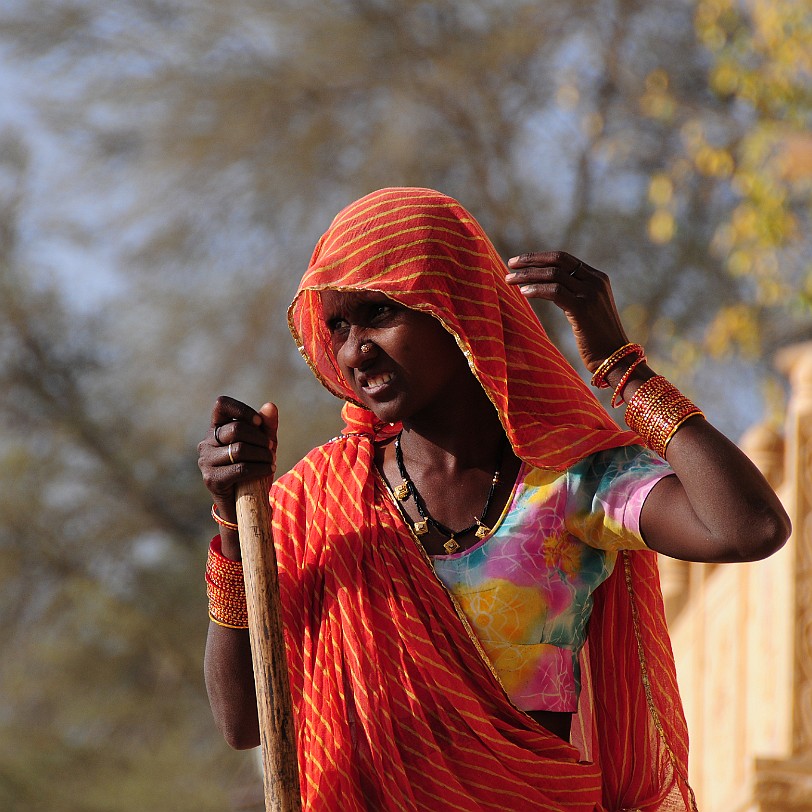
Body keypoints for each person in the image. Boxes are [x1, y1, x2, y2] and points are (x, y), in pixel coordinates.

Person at [198, 187, 789, 811]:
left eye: (378, 313)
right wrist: (236, 524)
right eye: (338, 326)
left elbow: (748, 529)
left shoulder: (570, 483)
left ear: (454, 306)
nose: (353, 350)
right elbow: (244, 723)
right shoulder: (319, 502)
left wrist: (623, 368)